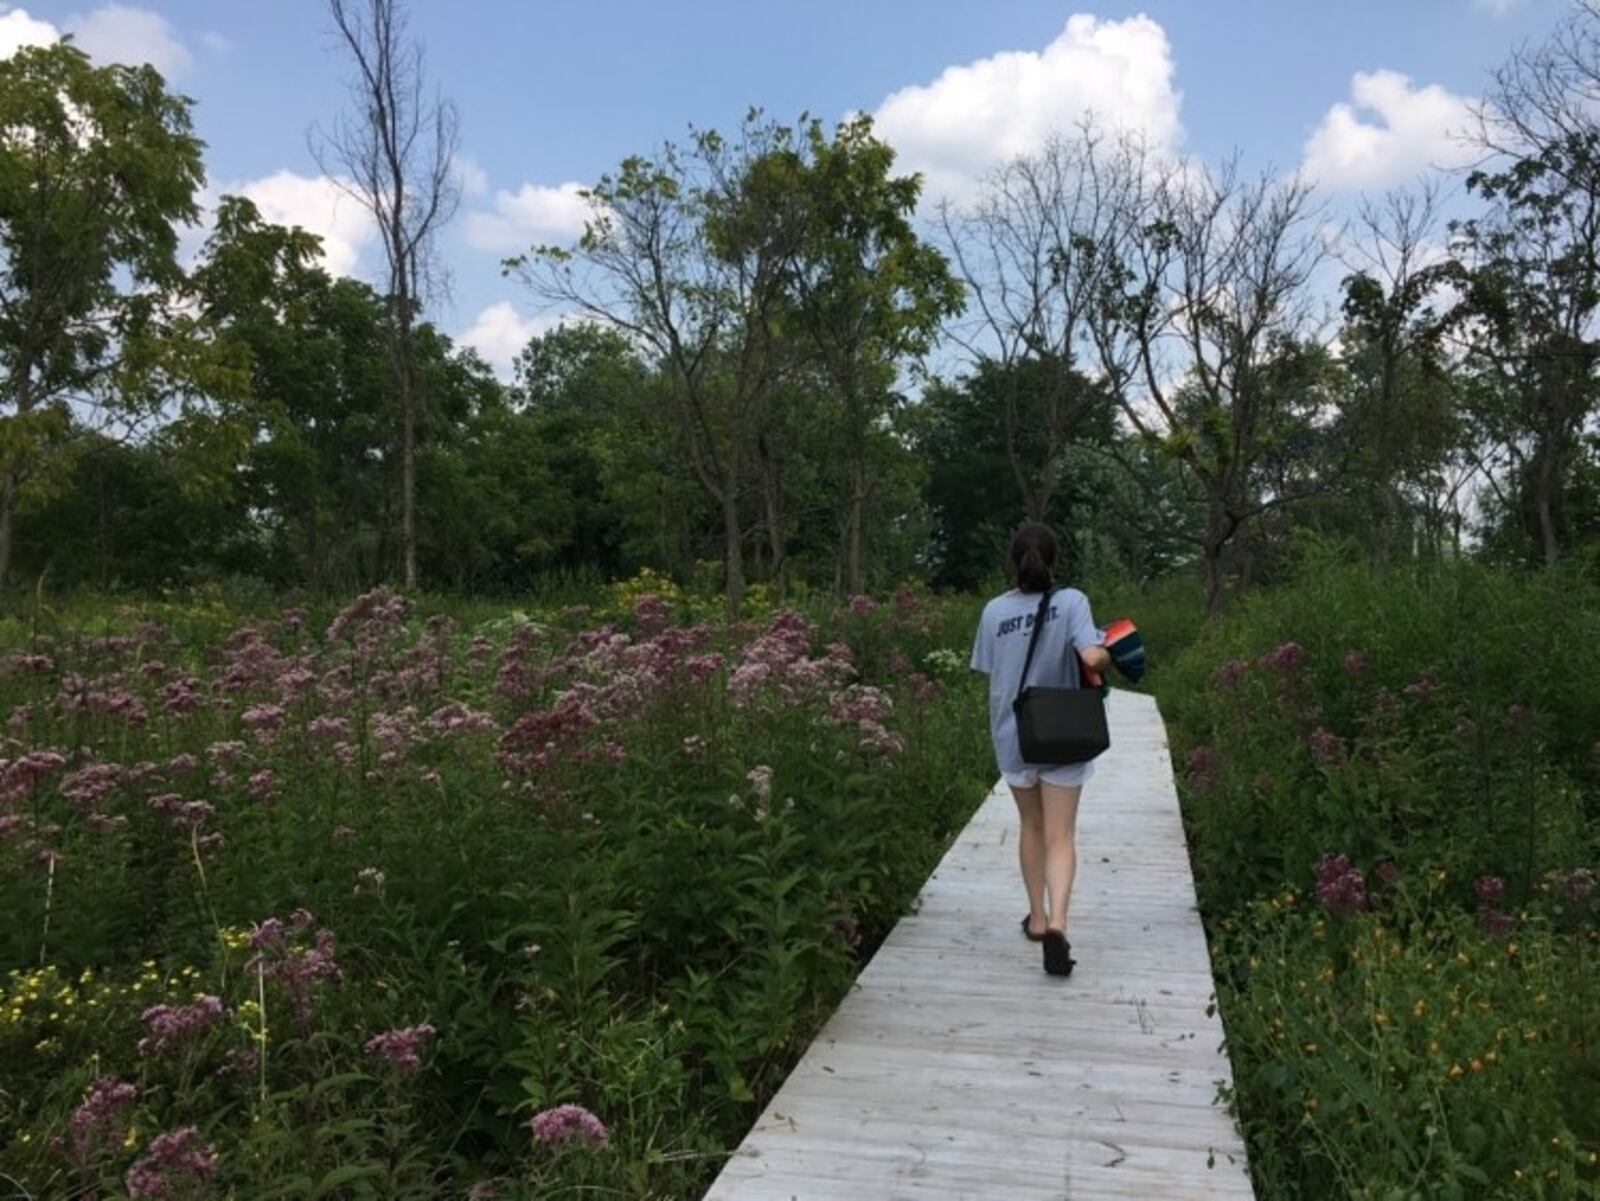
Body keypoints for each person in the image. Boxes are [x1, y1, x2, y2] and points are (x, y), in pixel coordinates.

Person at [969, 523, 1110, 977]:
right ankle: (1060, 925)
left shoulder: (993, 611)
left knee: (1031, 826)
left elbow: (989, 670)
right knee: (1060, 835)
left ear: (1013, 563)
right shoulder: (1072, 602)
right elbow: (1091, 659)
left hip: (1013, 734)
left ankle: (1037, 918)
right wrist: (1107, 649)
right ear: (1054, 561)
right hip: (1063, 732)